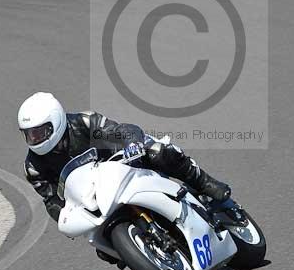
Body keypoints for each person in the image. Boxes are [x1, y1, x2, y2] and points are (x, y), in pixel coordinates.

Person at [18, 92, 231, 224]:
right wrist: (66, 218)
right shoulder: (33, 167)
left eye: (40, 132)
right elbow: (52, 201)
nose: (35, 139)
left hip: (127, 164)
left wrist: (132, 144)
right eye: (29, 134)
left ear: (56, 122)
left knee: (158, 152)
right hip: (95, 198)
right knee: (101, 246)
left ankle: (203, 181)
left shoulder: (83, 123)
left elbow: (118, 132)